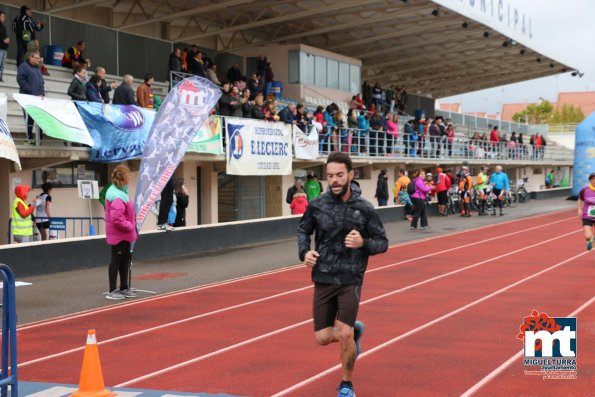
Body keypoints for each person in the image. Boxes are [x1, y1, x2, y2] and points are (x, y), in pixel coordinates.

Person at [297, 152, 388, 397]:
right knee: (323, 338)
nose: (334, 180)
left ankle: (346, 385)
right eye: (330, 176)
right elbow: (303, 230)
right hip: (323, 277)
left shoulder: (364, 209)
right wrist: (304, 252)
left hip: (351, 278)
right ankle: (354, 333)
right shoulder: (317, 205)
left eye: (339, 175)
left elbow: (382, 242)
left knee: (344, 332)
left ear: (350, 175)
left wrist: (363, 243)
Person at [104, 165, 137, 300]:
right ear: (124, 178)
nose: (130, 179)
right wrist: (129, 226)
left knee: (124, 260)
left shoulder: (120, 191)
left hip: (123, 233)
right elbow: (117, 218)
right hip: (120, 233)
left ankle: (124, 287)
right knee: (116, 260)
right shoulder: (117, 195)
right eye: (128, 176)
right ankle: (112, 290)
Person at [17, 50, 44, 145]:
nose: (39, 60)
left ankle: (38, 140)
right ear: (31, 58)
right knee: (29, 118)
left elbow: (41, 83)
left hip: (38, 98)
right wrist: (32, 92)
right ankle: (28, 138)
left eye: (39, 58)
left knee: (37, 118)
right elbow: (21, 80)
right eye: (37, 58)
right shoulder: (23, 66)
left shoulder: (38, 69)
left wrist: (42, 94)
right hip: (27, 98)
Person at [578, 173, 595, 251]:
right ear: (590, 180)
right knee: (588, 236)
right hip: (587, 216)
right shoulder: (585, 190)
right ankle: (590, 240)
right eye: (592, 179)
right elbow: (580, 199)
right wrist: (579, 209)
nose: (594, 181)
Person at [0, 11, 9, 82]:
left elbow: (5, 36)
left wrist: (8, 40)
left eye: (4, 17)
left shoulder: (4, 27)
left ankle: (0, 77)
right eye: (3, 16)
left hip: (4, 49)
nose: (4, 18)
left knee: (2, 65)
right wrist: (3, 40)